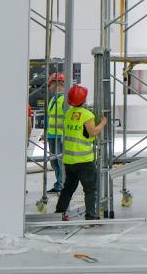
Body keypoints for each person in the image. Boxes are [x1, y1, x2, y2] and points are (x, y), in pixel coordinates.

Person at [55, 84, 107, 221]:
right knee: (90, 189)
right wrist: (103, 122)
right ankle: (91, 216)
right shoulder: (87, 115)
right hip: (84, 160)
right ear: (83, 100)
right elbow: (93, 132)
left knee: (68, 188)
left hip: (69, 160)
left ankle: (59, 213)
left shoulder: (68, 113)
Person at [44, 73, 66, 193]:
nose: (50, 87)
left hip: (60, 136)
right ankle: (59, 184)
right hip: (52, 135)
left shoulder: (64, 100)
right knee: (54, 163)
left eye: (50, 84)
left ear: (57, 83)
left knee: (60, 162)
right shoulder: (53, 99)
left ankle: (62, 185)